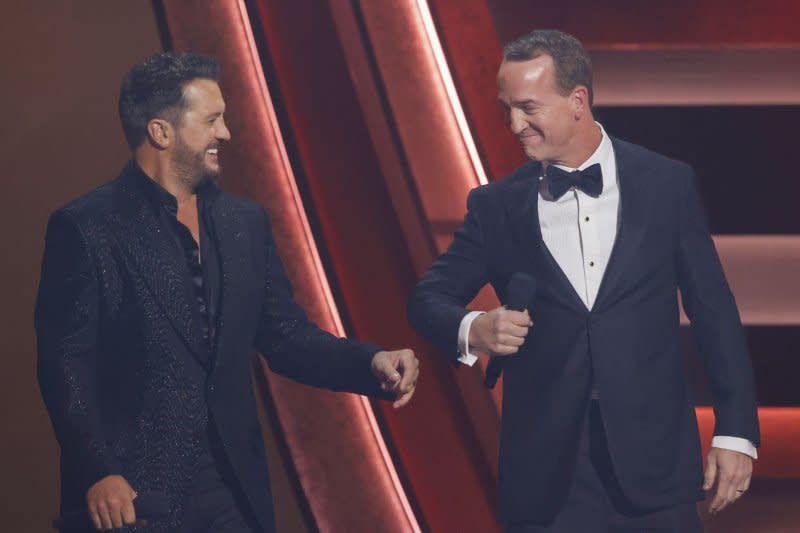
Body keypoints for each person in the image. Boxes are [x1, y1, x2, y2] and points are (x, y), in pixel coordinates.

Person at [35, 52, 419, 533]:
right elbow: (65, 363)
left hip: (234, 495)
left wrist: (369, 363)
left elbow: (285, 336)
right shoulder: (87, 228)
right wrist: (98, 470)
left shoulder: (245, 224)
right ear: (161, 132)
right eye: (212, 120)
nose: (227, 134)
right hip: (133, 501)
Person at [407, 29, 758, 532]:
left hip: (655, 467)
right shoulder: (496, 206)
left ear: (577, 100)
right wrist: (474, 328)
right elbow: (427, 299)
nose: (514, 124)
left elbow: (713, 312)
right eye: (507, 109)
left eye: (528, 107)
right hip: (548, 479)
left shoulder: (666, 184)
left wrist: (736, 432)